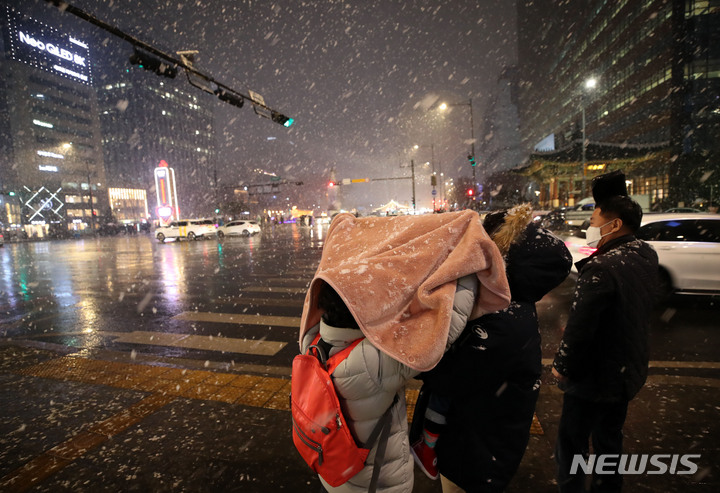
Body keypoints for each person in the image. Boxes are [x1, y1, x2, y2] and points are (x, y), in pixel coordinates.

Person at [297, 211, 511, 492]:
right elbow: (446, 329)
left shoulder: (312, 340)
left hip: (335, 469)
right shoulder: (370, 363)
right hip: (378, 482)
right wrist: (465, 263)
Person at [411, 203, 573, 491]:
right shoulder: (512, 306)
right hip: (488, 443)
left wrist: (409, 361)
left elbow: (448, 376)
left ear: (502, 260)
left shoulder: (499, 322)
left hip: (473, 455)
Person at [552, 171, 659, 493]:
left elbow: (580, 328)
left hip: (593, 378)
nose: (590, 224)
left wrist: (563, 367)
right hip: (626, 371)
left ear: (614, 225)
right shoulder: (644, 254)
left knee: (571, 445)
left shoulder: (602, 267)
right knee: (609, 441)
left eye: (595, 217)